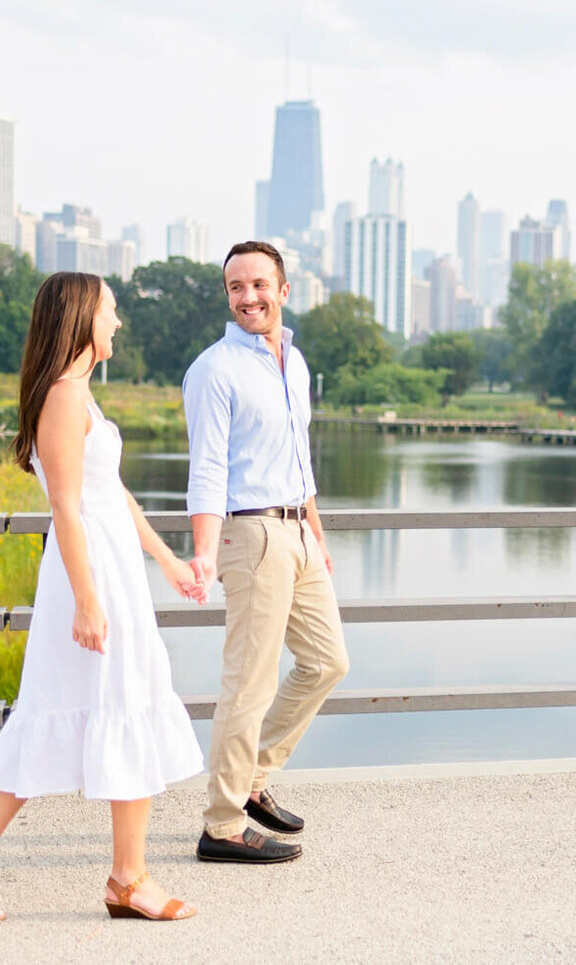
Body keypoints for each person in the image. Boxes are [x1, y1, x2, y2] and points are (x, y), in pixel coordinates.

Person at [0, 272, 205, 923]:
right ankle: (126, 879)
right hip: (88, 577)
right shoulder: (62, 396)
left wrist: (165, 559)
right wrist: (87, 600)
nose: (119, 323)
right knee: (94, 707)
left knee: (113, 705)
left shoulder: (83, 395)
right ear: (82, 317)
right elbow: (66, 508)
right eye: (112, 311)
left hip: (114, 573)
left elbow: (113, 496)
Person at [183, 240, 349, 865]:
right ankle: (222, 825)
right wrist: (204, 553)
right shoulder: (215, 369)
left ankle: (252, 779)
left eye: (258, 285)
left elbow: (299, 459)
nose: (247, 297)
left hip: (298, 534)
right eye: (234, 287)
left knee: (328, 661)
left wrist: (316, 531)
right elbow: (207, 469)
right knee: (247, 685)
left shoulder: (294, 362)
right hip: (250, 535)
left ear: (283, 290)